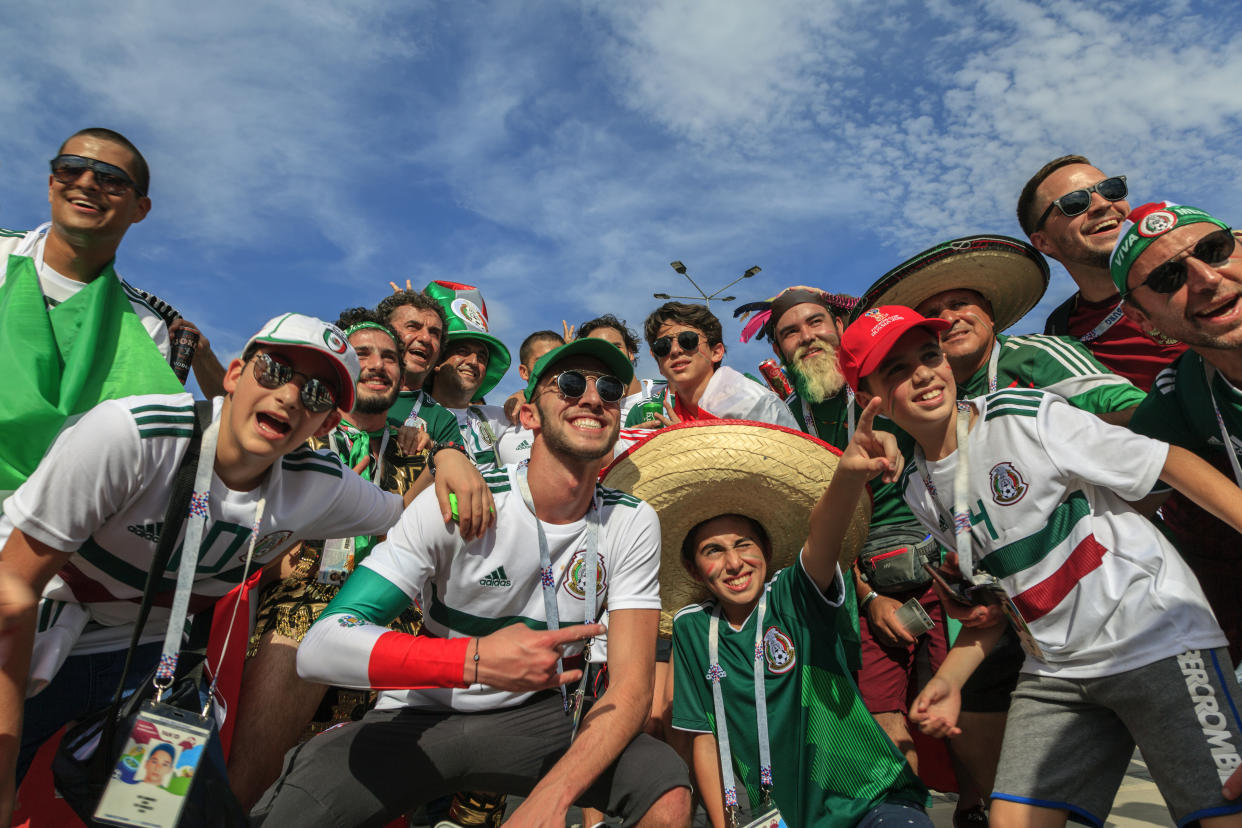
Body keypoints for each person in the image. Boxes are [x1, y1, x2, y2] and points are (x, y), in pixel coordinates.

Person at [0, 313, 493, 823]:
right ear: (235, 374)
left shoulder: (317, 484)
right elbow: (11, 584)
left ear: (325, 423)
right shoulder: (132, 435)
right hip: (33, 626)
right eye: (277, 370)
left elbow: (400, 514)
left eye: (320, 394)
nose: (291, 396)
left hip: (148, 661)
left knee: (154, 815)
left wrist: (448, 458)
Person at [252, 338, 692, 827]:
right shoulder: (459, 500)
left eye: (609, 389)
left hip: (535, 719)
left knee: (665, 794)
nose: (592, 398)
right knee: (291, 814)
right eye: (569, 384)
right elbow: (321, 646)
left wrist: (552, 798)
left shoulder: (631, 520)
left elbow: (630, 690)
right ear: (527, 414)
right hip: (422, 709)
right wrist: (473, 660)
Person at [840, 305, 1242, 828]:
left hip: (1158, 638)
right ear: (867, 397)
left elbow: (1168, 461)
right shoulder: (918, 487)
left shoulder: (1024, 416)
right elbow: (1005, 598)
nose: (922, 373)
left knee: (1223, 815)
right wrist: (951, 679)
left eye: (929, 355)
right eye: (895, 369)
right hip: (1056, 668)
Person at [603, 419, 929, 827]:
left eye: (743, 545)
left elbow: (823, 536)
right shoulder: (692, 628)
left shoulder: (793, 595)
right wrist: (726, 822)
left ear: (768, 550)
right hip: (780, 815)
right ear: (692, 567)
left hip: (867, 798)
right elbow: (704, 738)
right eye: (713, 550)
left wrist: (846, 478)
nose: (734, 562)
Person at [745, 284, 974, 810]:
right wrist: (869, 598)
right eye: (790, 333)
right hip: (857, 585)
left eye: (816, 322)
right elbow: (809, 527)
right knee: (883, 719)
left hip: (942, 567)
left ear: (840, 328)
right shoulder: (784, 422)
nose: (807, 337)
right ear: (779, 351)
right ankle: (908, 815)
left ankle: (975, 809)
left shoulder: (892, 386)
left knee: (967, 712)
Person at [0, 127, 225, 505]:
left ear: (140, 208)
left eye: (112, 180)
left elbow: (127, 453)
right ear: (53, 183)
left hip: (44, 529)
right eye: (72, 169)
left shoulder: (146, 328)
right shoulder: (5, 254)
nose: (87, 183)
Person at [1113, 201, 1242, 666]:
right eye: (1168, 279)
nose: (1205, 279)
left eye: (1214, 250)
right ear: (1141, 320)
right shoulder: (1178, 396)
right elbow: (1114, 518)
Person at [1018, 155, 1186, 390]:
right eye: (1074, 203)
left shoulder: (1202, 269)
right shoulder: (1061, 334)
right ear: (1044, 242)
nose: (1103, 204)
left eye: (1111, 190)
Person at [641, 301, 797, 428]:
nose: (675, 350)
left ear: (716, 352)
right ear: (660, 366)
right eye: (662, 346)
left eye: (687, 340)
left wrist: (689, 443)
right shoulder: (659, 420)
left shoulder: (755, 404)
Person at [424, 281, 515, 471]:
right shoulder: (411, 414)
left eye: (482, 356)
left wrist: (522, 395)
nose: (474, 361)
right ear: (438, 361)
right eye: (463, 350)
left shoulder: (497, 418)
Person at [498, 329, 565, 466]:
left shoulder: (586, 413)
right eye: (542, 362)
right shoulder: (500, 420)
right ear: (524, 372)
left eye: (559, 361)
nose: (552, 369)